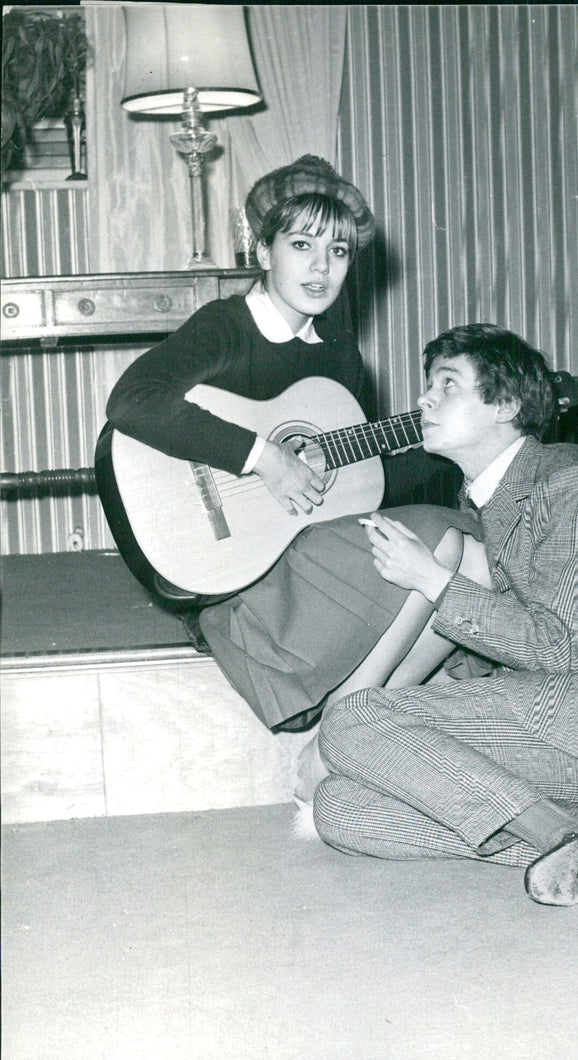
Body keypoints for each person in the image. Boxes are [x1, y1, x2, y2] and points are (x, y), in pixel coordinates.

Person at [311, 324, 578, 907]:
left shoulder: (569, 481)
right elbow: (501, 645)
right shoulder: (483, 499)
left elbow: (556, 648)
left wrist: (431, 579)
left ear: (507, 405)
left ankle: (561, 831)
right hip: (548, 735)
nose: (424, 400)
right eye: (428, 385)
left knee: (351, 719)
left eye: (447, 386)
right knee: (340, 810)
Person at [105, 155, 470, 732]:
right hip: (227, 565)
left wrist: (457, 443)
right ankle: (354, 719)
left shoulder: (338, 351)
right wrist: (263, 456)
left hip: (289, 546)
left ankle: (359, 719)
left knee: (460, 544)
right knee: (444, 542)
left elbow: (359, 479)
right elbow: (133, 400)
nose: (322, 268)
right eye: (302, 245)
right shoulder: (227, 325)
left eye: (339, 251)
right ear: (263, 251)